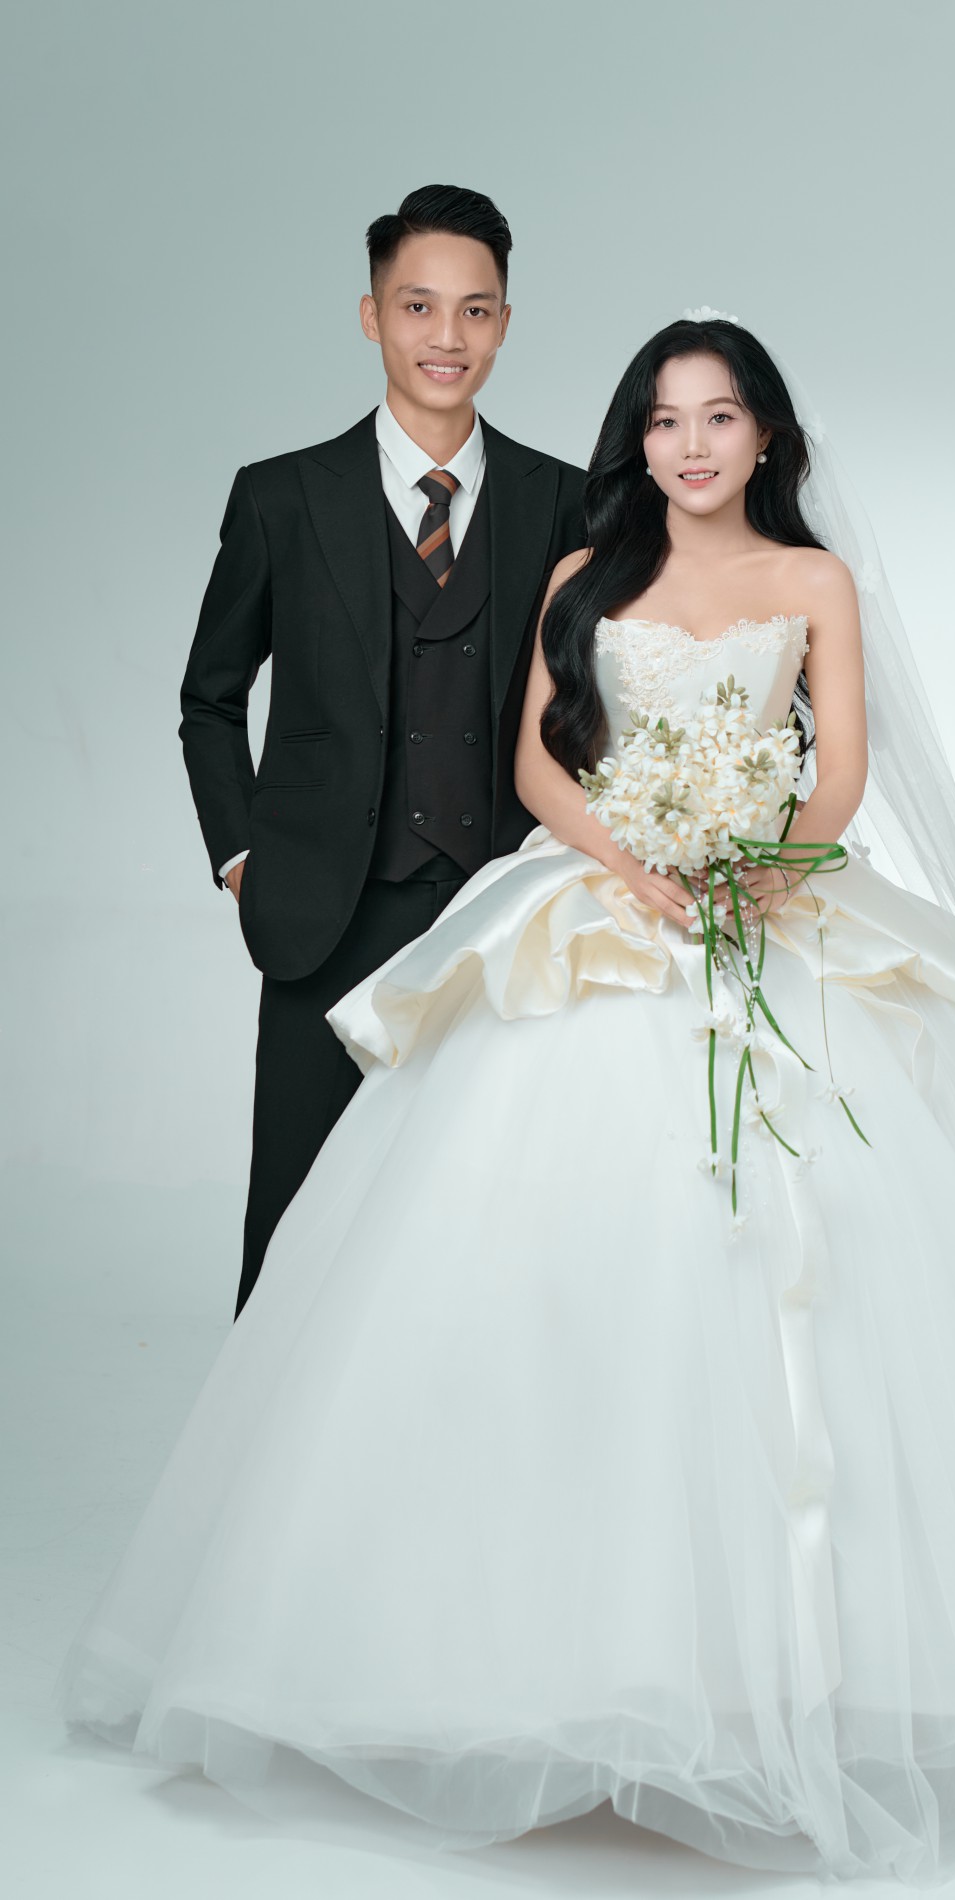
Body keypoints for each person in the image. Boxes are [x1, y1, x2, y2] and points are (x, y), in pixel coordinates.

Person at [59, 319, 955, 1884]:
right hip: (608, 901)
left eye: (719, 418)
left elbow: (838, 770)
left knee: (839, 1259)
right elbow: (539, 769)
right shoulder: (585, 578)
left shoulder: (811, 581)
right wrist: (633, 867)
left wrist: (766, 859)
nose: (690, 445)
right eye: (663, 420)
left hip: (768, 899)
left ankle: (828, 1673)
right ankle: (547, 1665)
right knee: (550, 1266)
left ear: (766, 438)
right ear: (636, 442)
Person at [178, 182, 586, 1317]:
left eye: (474, 310)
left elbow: (594, 702)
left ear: (503, 324)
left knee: (493, 1224)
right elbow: (209, 698)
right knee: (295, 1233)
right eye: (418, 306)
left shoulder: (563, 501)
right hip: (324, 913)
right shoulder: (281, 497)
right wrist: (243, 858)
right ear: (371, 316)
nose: (445, 336)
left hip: (502, 917)